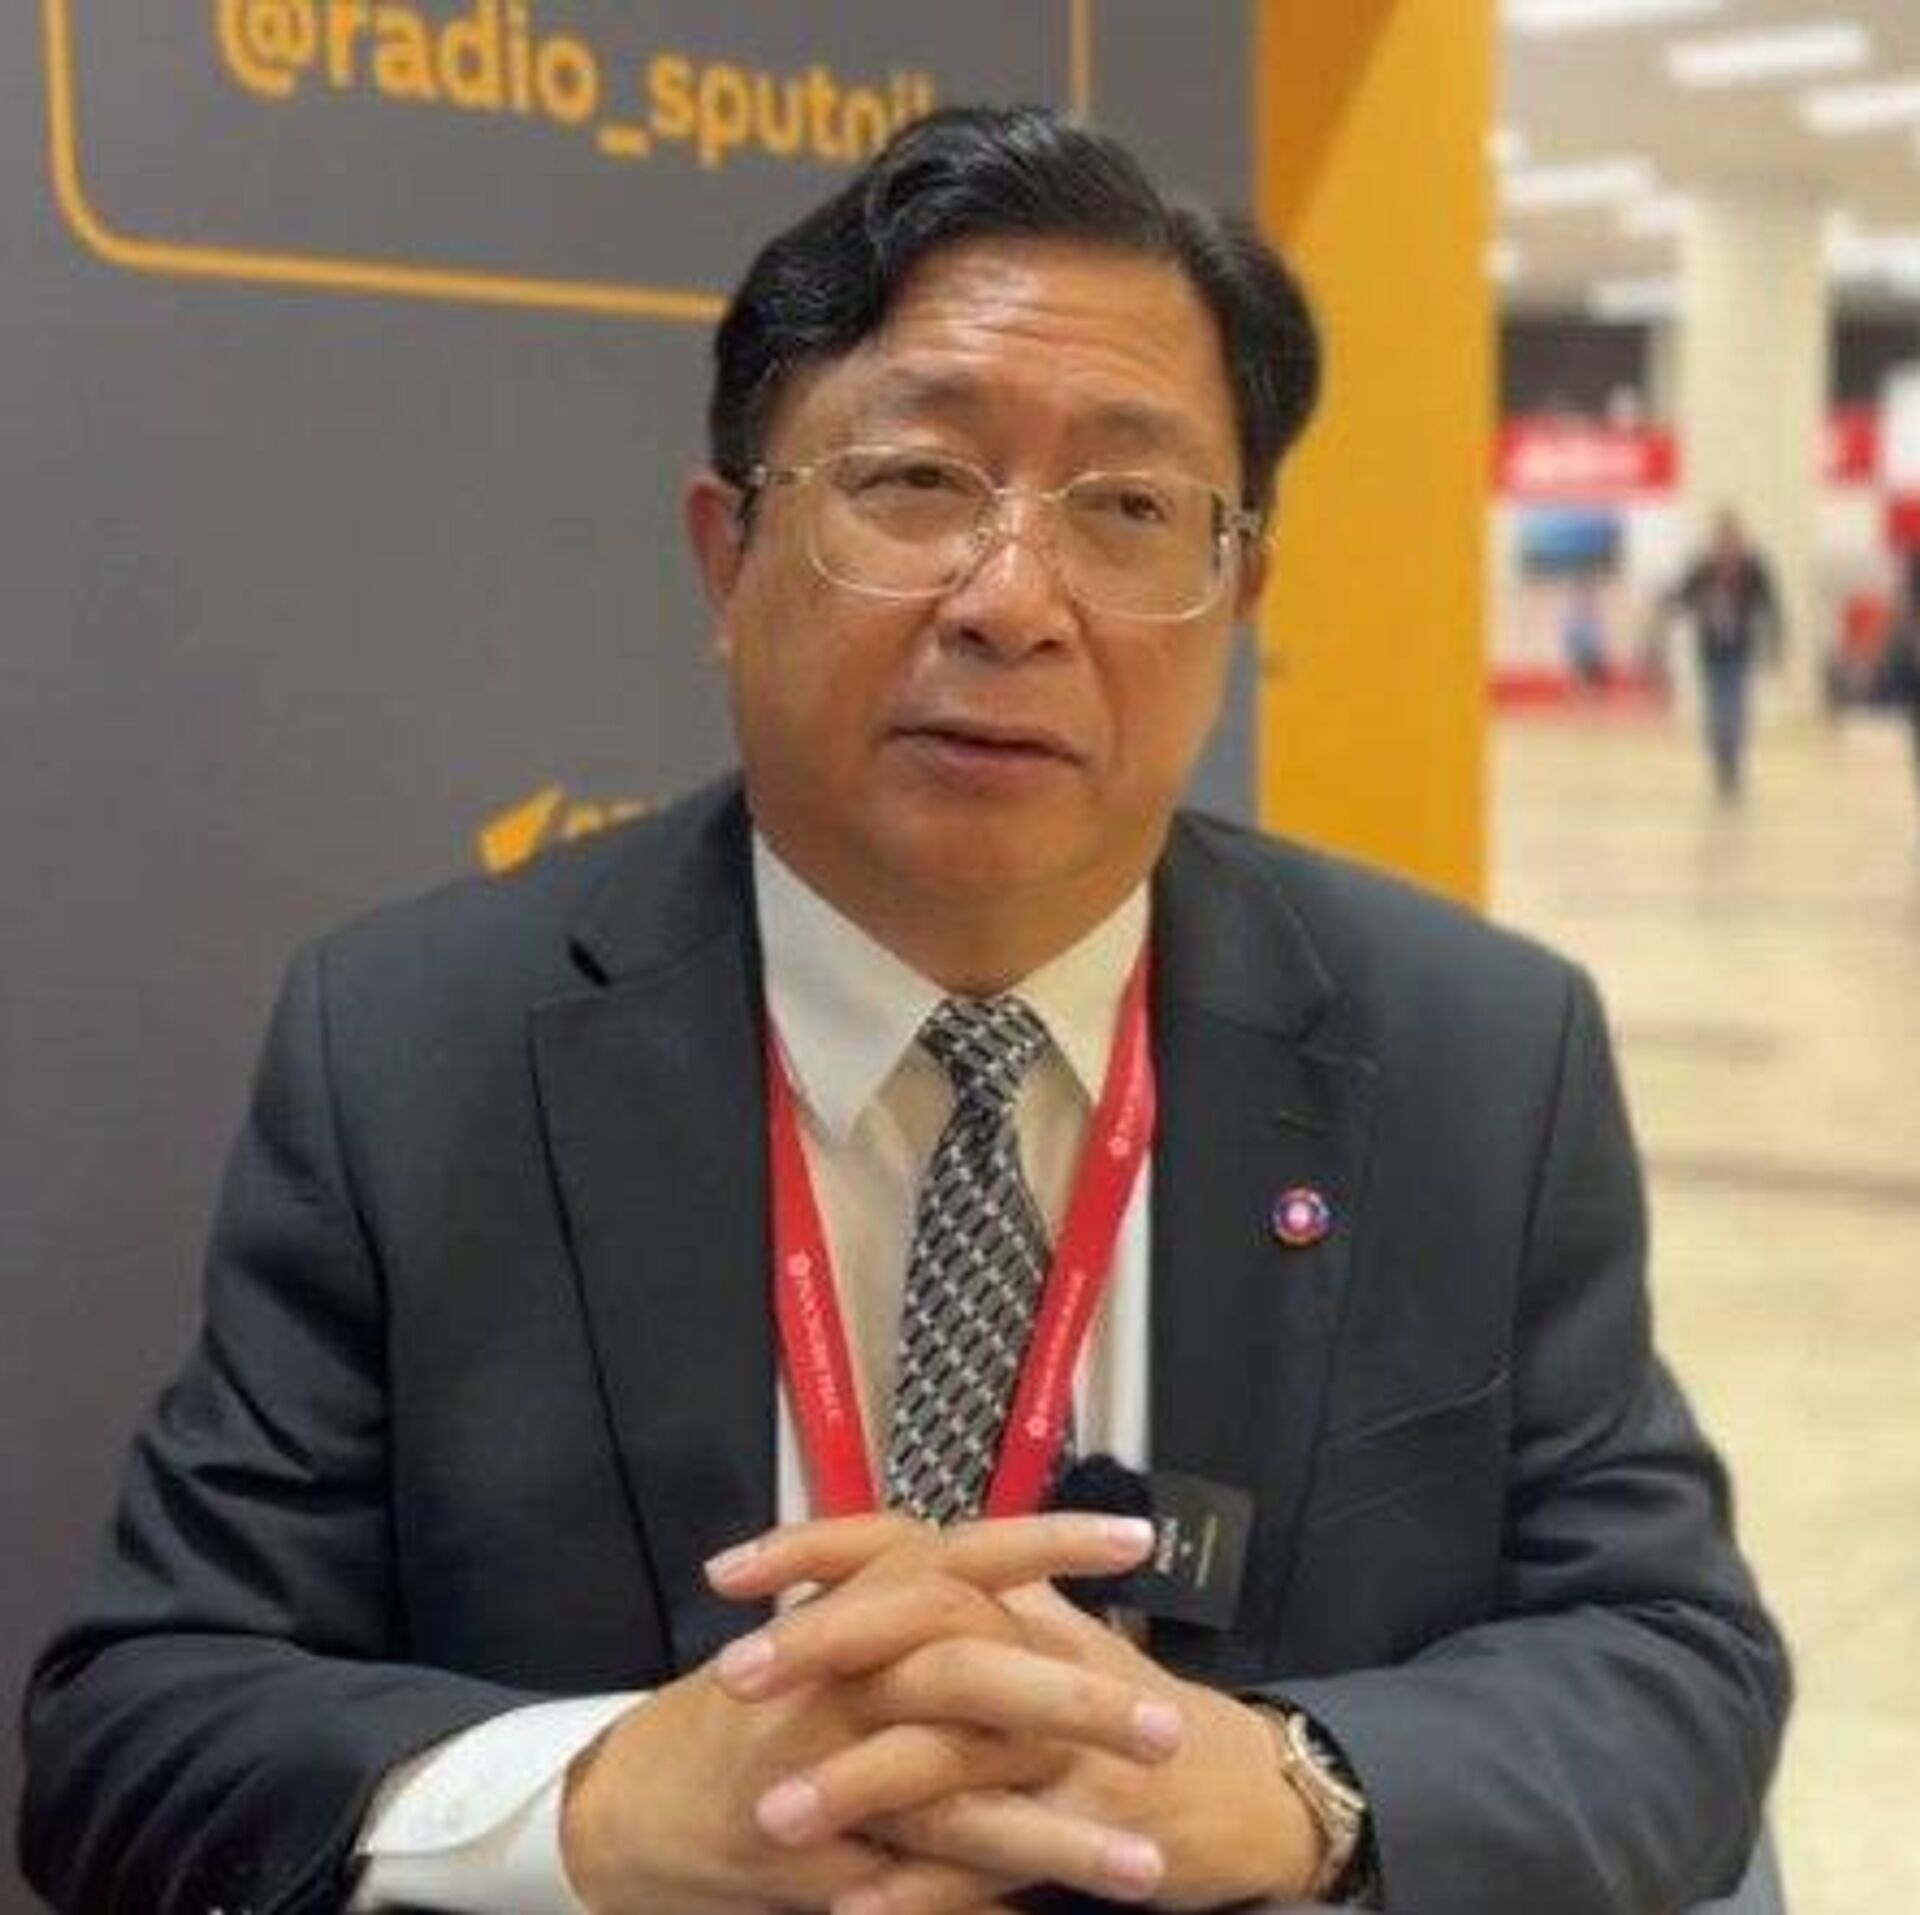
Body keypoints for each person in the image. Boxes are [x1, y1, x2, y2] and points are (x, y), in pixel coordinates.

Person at [18, 107, 1788, 1915]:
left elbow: (1674, 1662)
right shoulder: (414, 1051)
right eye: (919, 482)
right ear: (728, 555)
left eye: (1129, 509)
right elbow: (137, 1725)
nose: (1013, 602)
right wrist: (599, 1802)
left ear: (1238, 592)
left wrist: (1294, 1786)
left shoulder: (1475, 1056)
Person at [1666, 510, 1784, 801]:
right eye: (1722, 541)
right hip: (1710, 652)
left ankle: (1733, 766)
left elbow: (1772, 606)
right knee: (1715, 714)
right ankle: (1721, 765)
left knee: (1736, 711)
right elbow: (1682, 596)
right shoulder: (1702, 569)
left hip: (1740, 650)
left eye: (1732, 541)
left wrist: (1777, 646)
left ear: (1740, 541)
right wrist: (1667, 607)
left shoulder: (1753, 569)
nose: (1727, 547)